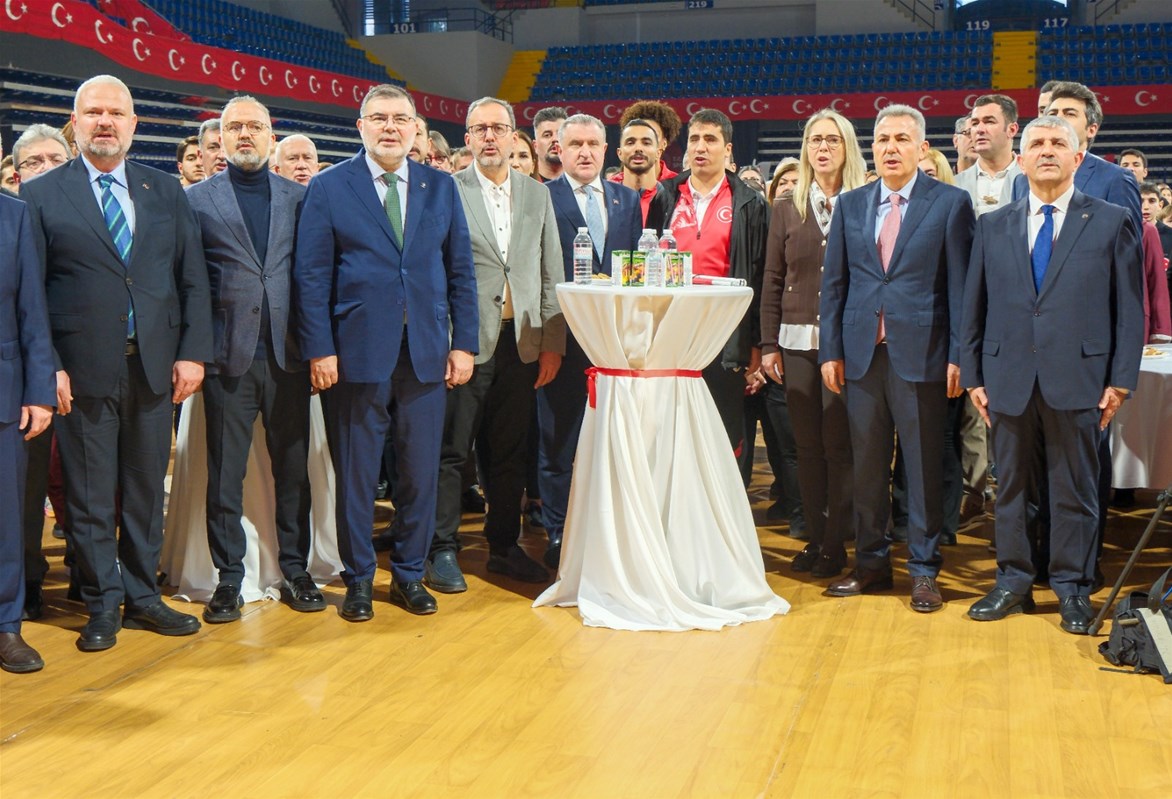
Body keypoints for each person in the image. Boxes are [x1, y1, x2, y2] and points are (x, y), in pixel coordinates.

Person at [20, 75, 213, 651]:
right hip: (80, 373)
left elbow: (192, 279)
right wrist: (49, 365)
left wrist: (192, 352)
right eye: (93, 112)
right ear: (74, 122)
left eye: (115, 113)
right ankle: (103, 602)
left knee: (146, 489)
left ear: (134, 123)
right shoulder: (41, 194)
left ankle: (143, 597)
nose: (104, 122)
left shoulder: (164, 189)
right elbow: (31, 294)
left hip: (154, 367)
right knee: (89, 495)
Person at [294, 84, 478, 621]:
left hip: (426, 353)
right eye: (379, 118)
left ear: (416, 127)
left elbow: (460, 271)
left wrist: (464, 343)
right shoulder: (329, 186)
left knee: (419, 472)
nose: (390, 127)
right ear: (361, 126)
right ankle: (357, 580)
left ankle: (409, 574)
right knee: (356, 474)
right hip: (354, 354)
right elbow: (311, 277)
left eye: (400, 118)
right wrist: (319, 349)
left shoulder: (440, 187)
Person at [962, 115, 1143, 634]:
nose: (1046, 151)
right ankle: (1012, 583)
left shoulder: (1110, 220)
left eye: (1057, 143)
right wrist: (973, 375)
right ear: (1020, 160)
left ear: (1077, 157)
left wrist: (1120, 381)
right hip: (1007, 377)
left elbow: (1129, 311)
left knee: (1075, 491)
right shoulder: (992, 224)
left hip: (1081, 378)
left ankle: (1072, 588)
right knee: (1011, 489)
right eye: (1036, 143)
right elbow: (974, 305)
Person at [819, 104, 975, 614]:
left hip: (924, 355)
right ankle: (870, 563)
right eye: (882, 139)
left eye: (902, 139)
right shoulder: (851, 204)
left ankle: (924, 571)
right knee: (866, 465)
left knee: (923, 467)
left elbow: (961, 288)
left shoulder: (950, 203)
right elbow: (835, 284)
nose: (890, 147)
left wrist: (959, 354)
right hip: (862, 355)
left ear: (922, 147)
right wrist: (831, 349)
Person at [185, 96, 323, 623]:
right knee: (225, 475)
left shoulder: (300, 198)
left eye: (255, 126)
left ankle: (296, 570)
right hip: (227, 358)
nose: (245, 134)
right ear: (219, 138)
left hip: (289, 356)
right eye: (235, 126)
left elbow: (314, 278)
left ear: (272, 136)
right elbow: (189, 283)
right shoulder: (197, 200)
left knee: (293, 472)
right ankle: (229, 579)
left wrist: (319, 347)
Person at [426, 97, 565, 591]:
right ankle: (441, 548)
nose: (489, 137)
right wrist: (450, 341)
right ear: (467, 138)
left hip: (521, 343)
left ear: (512, 136)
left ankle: (504, 546)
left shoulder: (537, 194)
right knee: (451, 452)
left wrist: (552, 342)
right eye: (480, 129)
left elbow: (550, 269)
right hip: (464, 343)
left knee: (509, 452)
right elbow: (434, 271)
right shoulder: (446, 190)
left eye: (498, 128)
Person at [760, 109, 867, 580]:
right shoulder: (787, 207)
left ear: (847, 148)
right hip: (795, 341)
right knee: (806, 447)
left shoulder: (864, 202)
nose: (822, 148)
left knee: (839, 445)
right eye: (814, 140)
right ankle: (817, 537)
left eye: (832, 140)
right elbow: (772, 278)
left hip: (847, 343)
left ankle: (838, 540)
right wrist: (768, 344)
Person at [539, 113, 641, 568]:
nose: (584, 152)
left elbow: (636, 269)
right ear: (559, 150)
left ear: (605, 149)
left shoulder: (626, 199)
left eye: (592, 144)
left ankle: (610, 527)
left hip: (614, 341)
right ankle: (558, 531)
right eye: (575, 144)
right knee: (558, 440)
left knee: (613, 440)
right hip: (562, 338)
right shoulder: (543, 197)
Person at [656, 109, 769, 453]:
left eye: (710, 139)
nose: (700, 147)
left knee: (722, 434)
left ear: (728, 148)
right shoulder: (665, 195)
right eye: (694, 139)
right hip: (672, 332)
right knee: (673, 431)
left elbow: (761, 275)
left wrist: (756, 342)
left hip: (725, 335)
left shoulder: (750, 202)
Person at [0, 183, 56, 673]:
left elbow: (32, 311)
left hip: (6, 393)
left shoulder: (13, 215)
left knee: (6, 519)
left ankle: (6, 625)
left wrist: (39, 391)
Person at [617, 100, 681, 181]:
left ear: (664, 143)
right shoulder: (610, 186)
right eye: (632, 141)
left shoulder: (678, 185)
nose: (639, 147)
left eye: (652, 136)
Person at [532, 106, 567, 182]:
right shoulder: (524, 184)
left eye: (560, 134)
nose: (555, 139)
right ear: (535, 146)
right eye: (547, 135)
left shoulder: (582, 181)